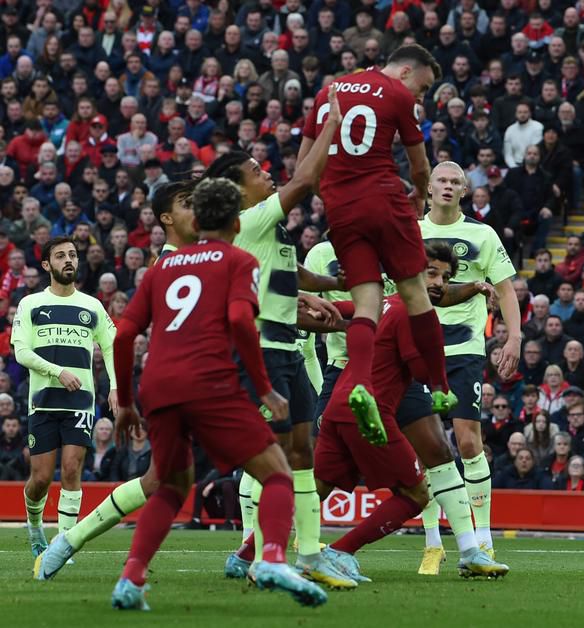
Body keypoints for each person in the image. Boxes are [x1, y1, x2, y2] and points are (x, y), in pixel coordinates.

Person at [105, 177, 329, 609]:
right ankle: (272, 559)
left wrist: (128, 403)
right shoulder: (239, 260)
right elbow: (243, 322)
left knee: (172, 487)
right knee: (279, 472)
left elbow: (125, 334)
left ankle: (130, 580)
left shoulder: (161, 267)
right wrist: (264, 388)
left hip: (157, 385)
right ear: (235, 220)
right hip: (208, 382)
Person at [210, 93, 352, 587]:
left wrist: (325, 291)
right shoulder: (248, 220)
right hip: (263, 354)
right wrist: (330, 124)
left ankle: (308, 554)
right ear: (237, 188)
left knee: (301, 453)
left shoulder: (270, 232)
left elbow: (285, 278)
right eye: (255, 168)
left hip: (287, 350)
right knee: (273, 460)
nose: (265, 171)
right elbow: (306, 180)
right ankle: (260, 556)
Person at [33, 182, 199, 580]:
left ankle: (260, 557)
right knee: (163, 478)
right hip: (184, 379)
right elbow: (123, 335)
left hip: (210, 375)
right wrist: (121, 396)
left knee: (272, 461)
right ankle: (68, 540)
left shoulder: (205, 253)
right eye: (187, 203)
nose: (198, 209)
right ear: (167, 218)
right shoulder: (172, 266)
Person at [314, 242, 508, 580]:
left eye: (444, 277)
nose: (438, 282)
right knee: (418, 489)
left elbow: (348, 309)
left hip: (345, 397)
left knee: (314, 487)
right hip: (374, 399)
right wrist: (440, 387)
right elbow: (419, 365)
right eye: (432, 273)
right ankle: (340, 551)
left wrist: (308, 310)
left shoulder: (388, 301)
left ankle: (250, 553)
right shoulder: (410, 309)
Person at [298, 44, 456, 434]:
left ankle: (363, 384)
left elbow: (304, 169)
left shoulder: (327, 92)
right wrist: (419, 197)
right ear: (406, 72)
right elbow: (420, 168)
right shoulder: (398, 95)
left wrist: (334, 197)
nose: (423, 96)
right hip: (386, 201)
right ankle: (439, 386)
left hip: (342, 210)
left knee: (367, 302)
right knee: (416, 293)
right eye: (424, 86)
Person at [417, 161, 520, 572]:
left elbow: (507, 290)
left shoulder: (482, 234)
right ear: (428, 189)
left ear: (465, 191)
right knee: (423, 447)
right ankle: (431, 543)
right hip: (416, 349)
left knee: (469, 443)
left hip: (464, 349)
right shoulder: (412, 232)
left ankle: (484, 540)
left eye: (455, 181)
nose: (447, 186)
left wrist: (513, 337)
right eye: (440, 180)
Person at [15, 236, 118, 559]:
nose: (68, 260)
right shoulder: (31, 304)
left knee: (72, 470)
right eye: (60, 256)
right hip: (43, 401)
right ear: (47, 265)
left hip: (80, 402)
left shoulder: (92, 305)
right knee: (41, 479)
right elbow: (20, 351)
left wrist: (116, 387)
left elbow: (113, 345)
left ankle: (63, 545)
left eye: (72, 254)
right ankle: (35, 527)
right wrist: (58, 371)